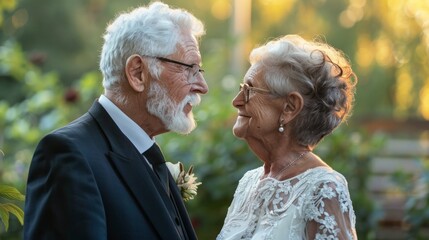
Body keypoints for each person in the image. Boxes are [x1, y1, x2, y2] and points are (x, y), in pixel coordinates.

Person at [24, 2, 207, 239]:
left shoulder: (146, 153)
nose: (202, 86)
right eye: (189, 69)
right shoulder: (68, 155)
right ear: (137, 73)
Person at [217, 35, 358, 240]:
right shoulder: (249, 182)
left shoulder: (324, 189)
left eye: (249, 90)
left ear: (290, 107)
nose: (236, 101)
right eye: (241, 89)